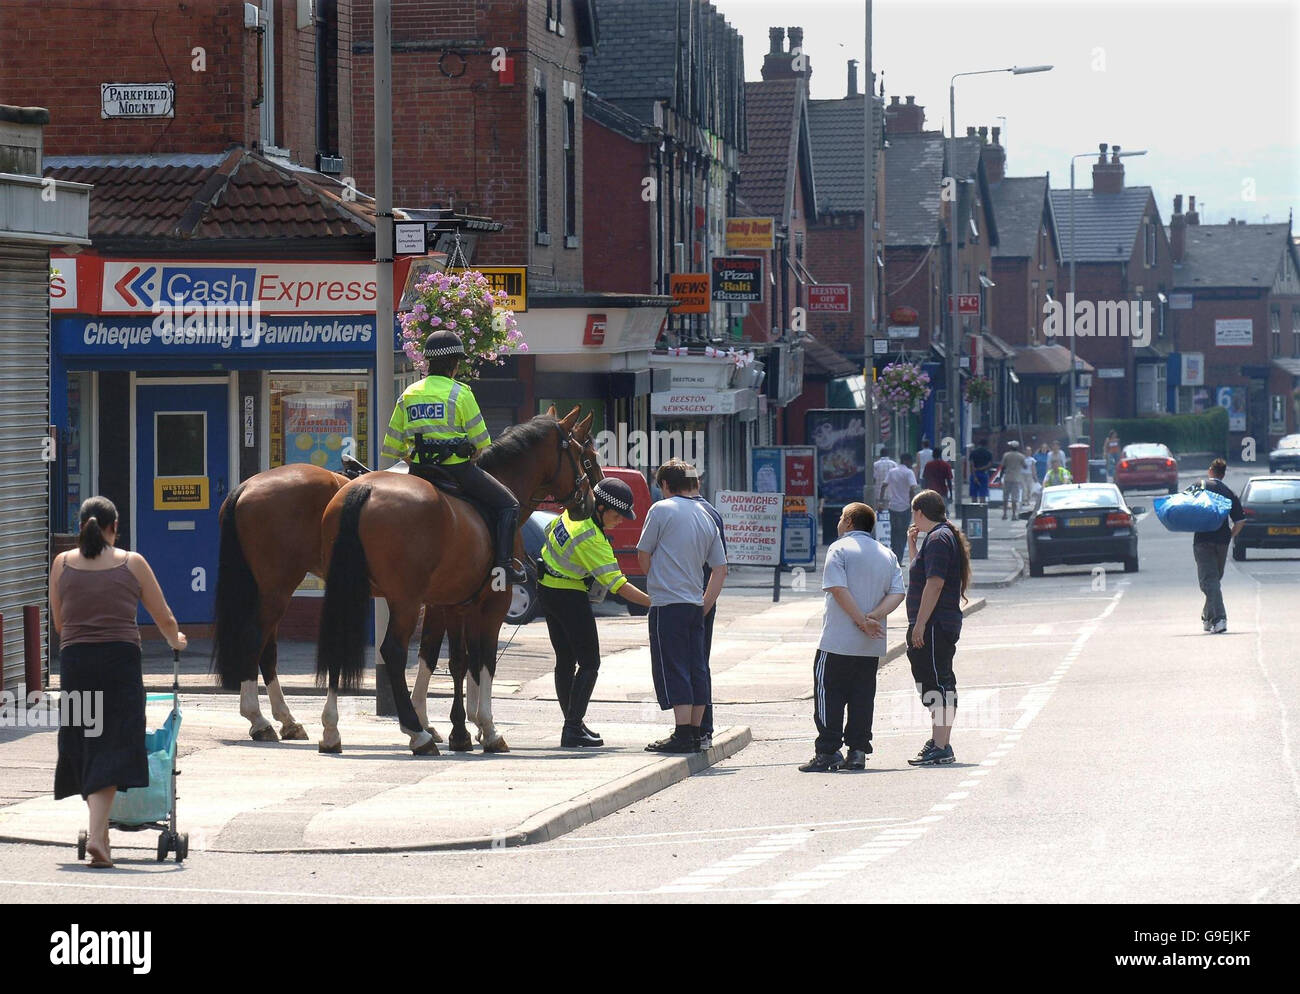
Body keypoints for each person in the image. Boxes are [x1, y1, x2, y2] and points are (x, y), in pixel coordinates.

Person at [50, 497, 188, 869]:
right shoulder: (133, 563)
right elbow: (165, 618)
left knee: (87, 742)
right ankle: (97, 836)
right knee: (114, 744)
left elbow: (61, 624)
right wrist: (176, 641)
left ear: (83, 526)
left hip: (76, 664)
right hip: (120, 665)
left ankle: (101, 835)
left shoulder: (62, 564)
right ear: (114, 527)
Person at [382, 330, 526, 583]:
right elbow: (482, 443)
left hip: (418, 472)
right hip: (457, 471)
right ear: (454, 364)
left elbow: (393, 446)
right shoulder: (461, 393)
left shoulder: (408, 394)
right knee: (509, 504)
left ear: (428, 362)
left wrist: (414, 460)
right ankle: (503, 568)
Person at [539, 478, 652, 747]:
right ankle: (572, 728)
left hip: (546, 588)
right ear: (600, 508)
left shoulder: (572, 513)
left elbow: (547, 532)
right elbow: (618, 585)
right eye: (616, 515)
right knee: (590, 663)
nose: (620, 521)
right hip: (569, 596)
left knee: (565, 660)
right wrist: (656, 603)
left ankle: (573, 723)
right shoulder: (591, 538)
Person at [799, 503, 906, 773]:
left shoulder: (839, 549)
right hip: (870, 644)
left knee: (828, 695)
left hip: (837, 640)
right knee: (862, 696)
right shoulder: (887, 554)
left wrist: (860, 620)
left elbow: (837, 588)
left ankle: (828, 751)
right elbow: (897, 593)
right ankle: (857, 751)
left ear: (848, 521)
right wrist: (874, 617)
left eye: (840, 518)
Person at [637, 460, 728, 754]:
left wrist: (657, 580)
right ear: (694, 483)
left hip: (668, 602)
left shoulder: (661, 510)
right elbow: (720, 569)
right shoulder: (707, 515)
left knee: (672, 666)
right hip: (694, 602)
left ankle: (681, 732)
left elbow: (643, 553)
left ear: (665, 485)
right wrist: (705, 603)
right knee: (696, 666)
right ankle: (695, 733)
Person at [904, 490, 972, 767]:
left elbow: (934, 583)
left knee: (939, 684)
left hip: (935, 624)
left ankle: (941, 745)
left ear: (920, 512)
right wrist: (913, 548)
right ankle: (939, 740)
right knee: (934, 681)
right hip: (938, 622)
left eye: (913, 514)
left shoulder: (938, 539)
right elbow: (921, 573)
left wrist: (920, 624)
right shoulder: (938, 537)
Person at [1193, 458, 1246, 634]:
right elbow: (1240, 521)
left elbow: (1182, 505)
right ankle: (1207, 617)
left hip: (1203, 540)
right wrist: (1229, 535)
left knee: (1208, 581)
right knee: (1214, 579)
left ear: (1210, 471)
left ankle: (1219, 619)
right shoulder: (1229, 492)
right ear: (1223, 474)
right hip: (1222, 541)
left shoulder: (1199, 486)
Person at [882, 453, 919, 562]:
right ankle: (899, 558)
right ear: (907, 461)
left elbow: (884, 485)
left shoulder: (892, 472)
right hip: (905, 507)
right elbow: (913, 488)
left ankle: (894, 554)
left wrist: (881, 501)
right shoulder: (909, 472)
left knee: (894, 531)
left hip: (893, 506)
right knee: (903, 533)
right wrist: (912, 502)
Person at [998, 440, 1028, 520]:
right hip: (1017, 478)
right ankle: (1014, 515)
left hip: (1007, 477)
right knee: (1015, 498)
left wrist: (1000, 477)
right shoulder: (1021, 456)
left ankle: (1004, 514)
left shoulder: (1006, 455)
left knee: (1005, 497)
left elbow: (1002, 467)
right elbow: (1025, 466)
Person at [968, 438, 994, 502]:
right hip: (984, 473)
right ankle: (982, 508)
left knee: (974, 494)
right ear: (986, 445)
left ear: (979, 444)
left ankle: (974, 509)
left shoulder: (973, 452)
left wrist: (974, 476)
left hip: (974, 473)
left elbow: (971, 465)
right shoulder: (988, 453)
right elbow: (990, 464)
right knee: (983, 493)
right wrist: (981, 468)